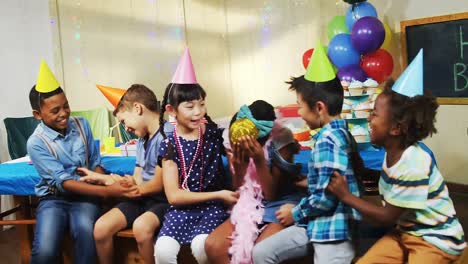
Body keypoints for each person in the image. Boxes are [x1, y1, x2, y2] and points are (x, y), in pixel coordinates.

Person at [327, 78, 467, 263]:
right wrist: (362, 172)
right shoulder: (393, 152)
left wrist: (346, 196)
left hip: (435, 240)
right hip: (405, 232)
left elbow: (387, 217)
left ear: (395, 128)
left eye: (375, 114)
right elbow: (394, 182)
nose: (369, 118)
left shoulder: (413, 163)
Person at [252, 44, 361, 264]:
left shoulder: (327, 141)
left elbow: (326, 197)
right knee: (262, 253)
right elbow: (341, 175)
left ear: (319, 107)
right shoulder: (342, 133)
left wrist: (296, 213)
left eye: (300, 106)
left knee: (263, 253)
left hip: (332, 230)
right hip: (320, 223)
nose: (299, 112)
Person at [27, 61, 135, 264]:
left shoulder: (82, 125)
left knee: (85, 233)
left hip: (85, 198)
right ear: (38, 115)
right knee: (45, 250)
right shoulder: (36, 142)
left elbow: (95, 162)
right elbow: (64, 182)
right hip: (53, 200)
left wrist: (102, 179)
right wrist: (107, 192)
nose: (64, 113)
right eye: (55, 110)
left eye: (66, 106)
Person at [153, 48, 238, 264]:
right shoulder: (169, 145)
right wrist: (218, 194)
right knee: (162, 251)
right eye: (190, 106)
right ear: (172, 110)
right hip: (182, 210)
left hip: (213, 210)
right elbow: (174, 196)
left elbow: (234, 153)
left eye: (201, 104)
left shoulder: (213, 135)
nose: (198, 112)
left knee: (202, 247)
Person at [205, 100, 306, 264]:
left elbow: (271, 194)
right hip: (250, 201)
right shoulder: (233, 138)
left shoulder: (281, 139)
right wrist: (239, 167)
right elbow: (239, 188)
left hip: (280, 201)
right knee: (213, 246)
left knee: (261, 250)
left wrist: (259, 161)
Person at [78, 84, 170, 264]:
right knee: (101, 228)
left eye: (123, 121)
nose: (125, 128)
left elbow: (158, 185)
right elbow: (137, 178)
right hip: (142, 199)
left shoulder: (166, 136)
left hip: (163, 201)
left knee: (141, 227)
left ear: (137, 108)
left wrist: (126, 189)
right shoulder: (142, 141)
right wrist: (104, 178)